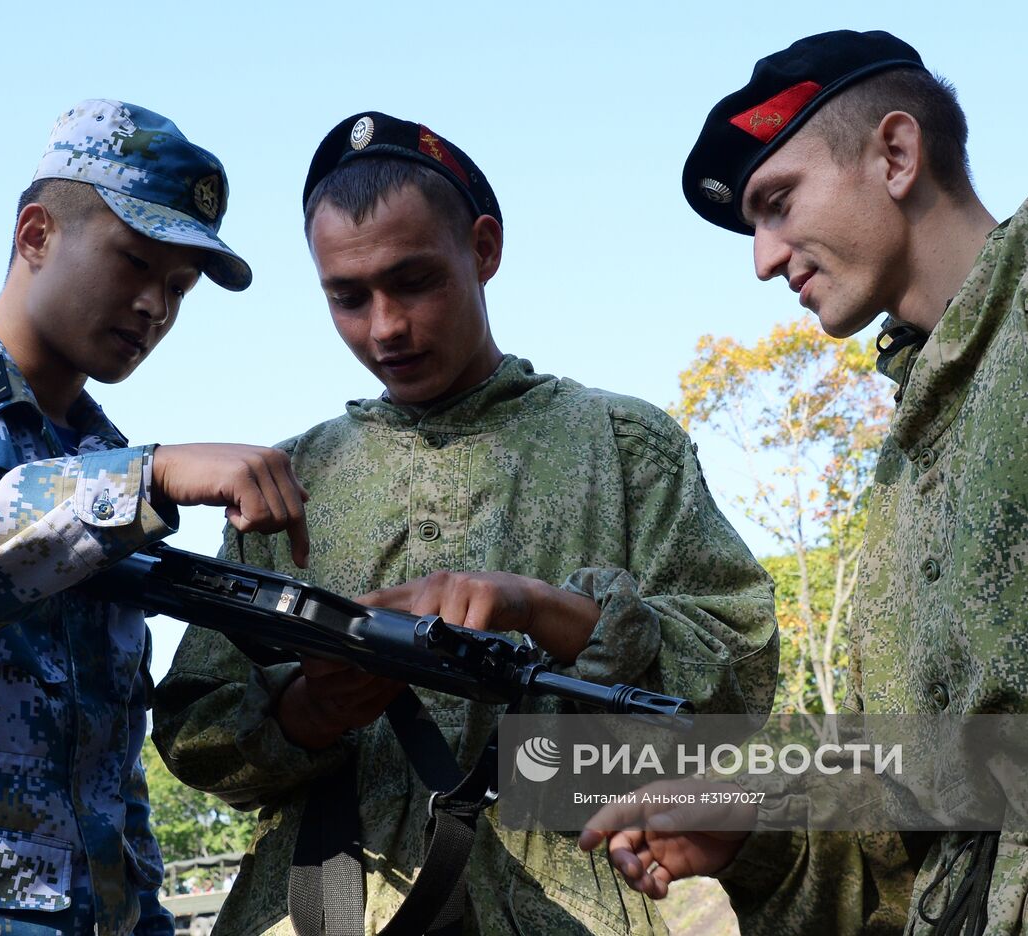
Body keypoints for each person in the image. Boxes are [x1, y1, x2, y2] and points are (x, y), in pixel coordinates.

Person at [580, 29, 1028, 935]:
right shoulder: (905, 458)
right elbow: (919, 790)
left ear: (898, 154)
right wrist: (753, 819)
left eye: (778, 204)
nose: (762, 257)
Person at [152, 111, 779, 936]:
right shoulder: (284, 484)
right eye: (347, 297)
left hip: (579, 905)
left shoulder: (624, 446)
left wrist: (546, 611)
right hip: (330, 907)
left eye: (413, 281)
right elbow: (195, 729)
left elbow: (734, 674)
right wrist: (315, 708)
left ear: (483, 249)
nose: (385, 327)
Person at [0, 99, 309, 935]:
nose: (156, 307)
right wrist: (142, 478)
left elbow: (106, 772)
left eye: (178, 288)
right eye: (134, 264)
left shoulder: (105, 471)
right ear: (36, 235)